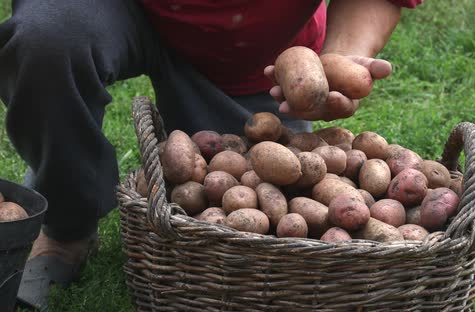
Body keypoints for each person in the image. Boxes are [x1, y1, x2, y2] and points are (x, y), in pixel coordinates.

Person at [0, 0, 423, 309]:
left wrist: (339, 57)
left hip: (253, 52)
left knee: (238, 190)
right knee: (48, 37)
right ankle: (66, 228)